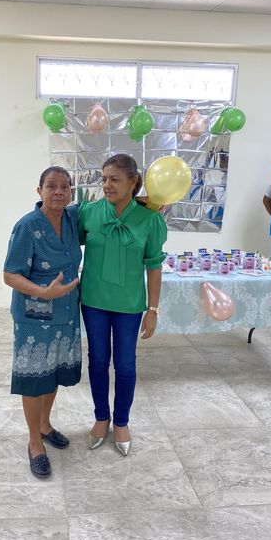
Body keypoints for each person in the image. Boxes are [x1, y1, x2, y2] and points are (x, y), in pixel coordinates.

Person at [78, 154, 167, 456]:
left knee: (126, 364)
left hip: (129, 305)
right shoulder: (89, 212)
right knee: (98, 360)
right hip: (94, 301)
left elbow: (154, 266)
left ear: (133, 182)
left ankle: (122, 422)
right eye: (104, 179)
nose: (106, 185)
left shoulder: (150, 220)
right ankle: (101, 417)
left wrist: (152, 310)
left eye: (114, 179)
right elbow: (61, 231)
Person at [3, 166, 82, 479]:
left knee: (53, 373)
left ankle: (45, 425)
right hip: (34, 318)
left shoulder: (73, 219)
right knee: (35, 379)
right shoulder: (27, 226)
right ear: (39, 191)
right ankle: (35, 442)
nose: (58, 191)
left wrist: (146, 202)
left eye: (65, 186)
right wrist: (43, 291)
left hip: (65, 313)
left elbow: (107, 205)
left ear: (71, 192)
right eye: (51, 186)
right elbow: (10, 274)